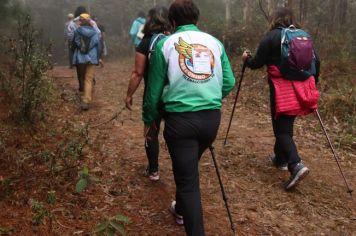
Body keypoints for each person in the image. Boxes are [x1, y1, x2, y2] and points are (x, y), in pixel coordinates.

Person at [142, 0, 235, 235]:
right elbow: (229, 82)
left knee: (188, 182)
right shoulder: (215, 43)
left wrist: (149, 120)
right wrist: (210, 96)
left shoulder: (166, 44)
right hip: (211, 120)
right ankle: (180, 208)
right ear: (197, 19)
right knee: (188, 169)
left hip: (180, 122)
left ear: (172, 22)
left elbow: (153, 91)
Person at [242, 7, 320, 190]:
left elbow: (256, 63)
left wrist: (246, 59)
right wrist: (312, 82)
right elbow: (317, 62)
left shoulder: (272, 37)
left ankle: (295, 164)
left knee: (281, 130)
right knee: (285, 125)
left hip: (281, 89)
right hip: (301, 88)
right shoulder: (303, 36)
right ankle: (281, 159)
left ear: (275, 19)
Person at [125, 6, 171, 181]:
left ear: (149, 21)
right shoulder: (174, 40)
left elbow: (138, 73)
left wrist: (129, 95)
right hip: (175, 94)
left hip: (153, 94)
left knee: (151, 130)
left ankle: (153, 170)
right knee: (174, 131)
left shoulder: (145, 43)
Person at [66, 6, 101, 92]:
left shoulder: (72, 23)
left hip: (79, 49)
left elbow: (70, 36)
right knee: (89, 66)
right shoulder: (91, 22)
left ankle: (82, 86)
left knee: (79, 68)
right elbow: (98, 34)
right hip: (91, 50)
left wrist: (75, 40)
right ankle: (90, 81)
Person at [72, 13, 101, 111]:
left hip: (81, 58)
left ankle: (85, 97)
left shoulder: (77, 31)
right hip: (92, 58)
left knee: (82, 77)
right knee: (89, 79)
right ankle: (86, 100)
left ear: (81, 21)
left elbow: (76, 43)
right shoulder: (95, 32)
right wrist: (98, 58)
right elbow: (98, 45)